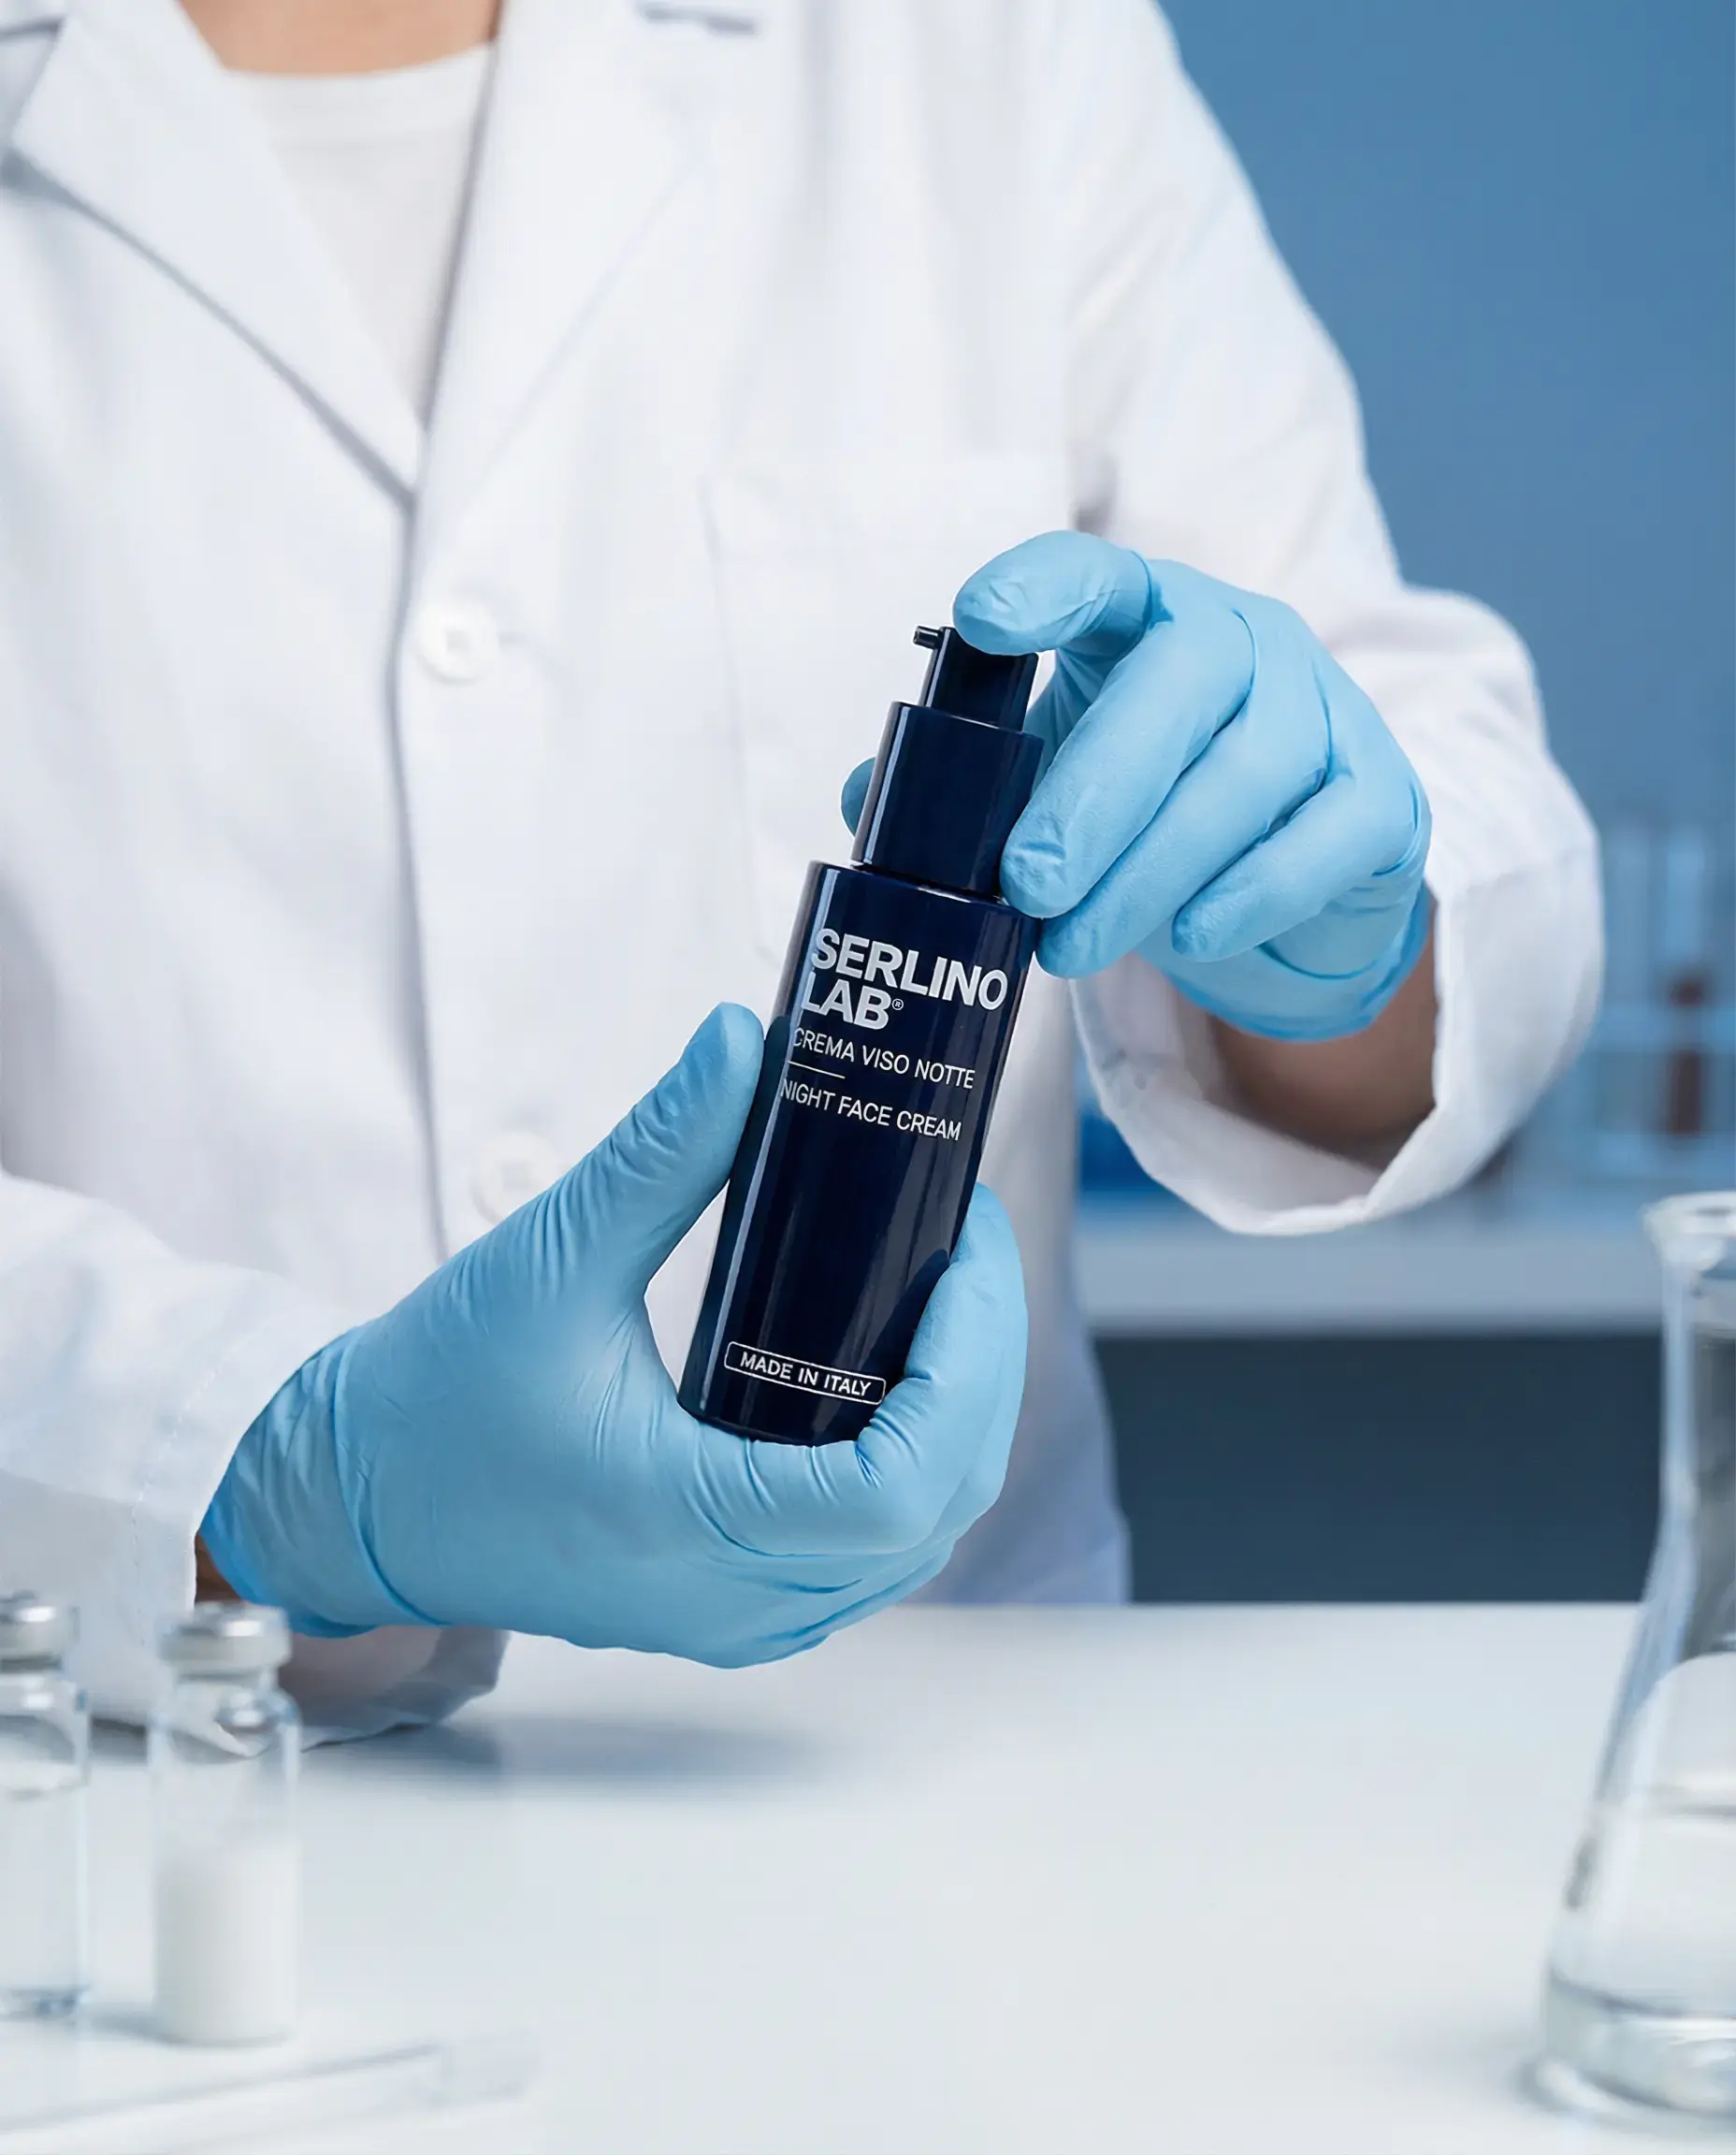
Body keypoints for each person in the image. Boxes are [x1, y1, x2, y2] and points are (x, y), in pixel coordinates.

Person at [0, 0, 1599, 1731]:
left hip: (928, 1779)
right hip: (142, 1782)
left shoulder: (985, 47)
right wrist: (245, 1466)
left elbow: (1434, 863)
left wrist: (1327, 923)